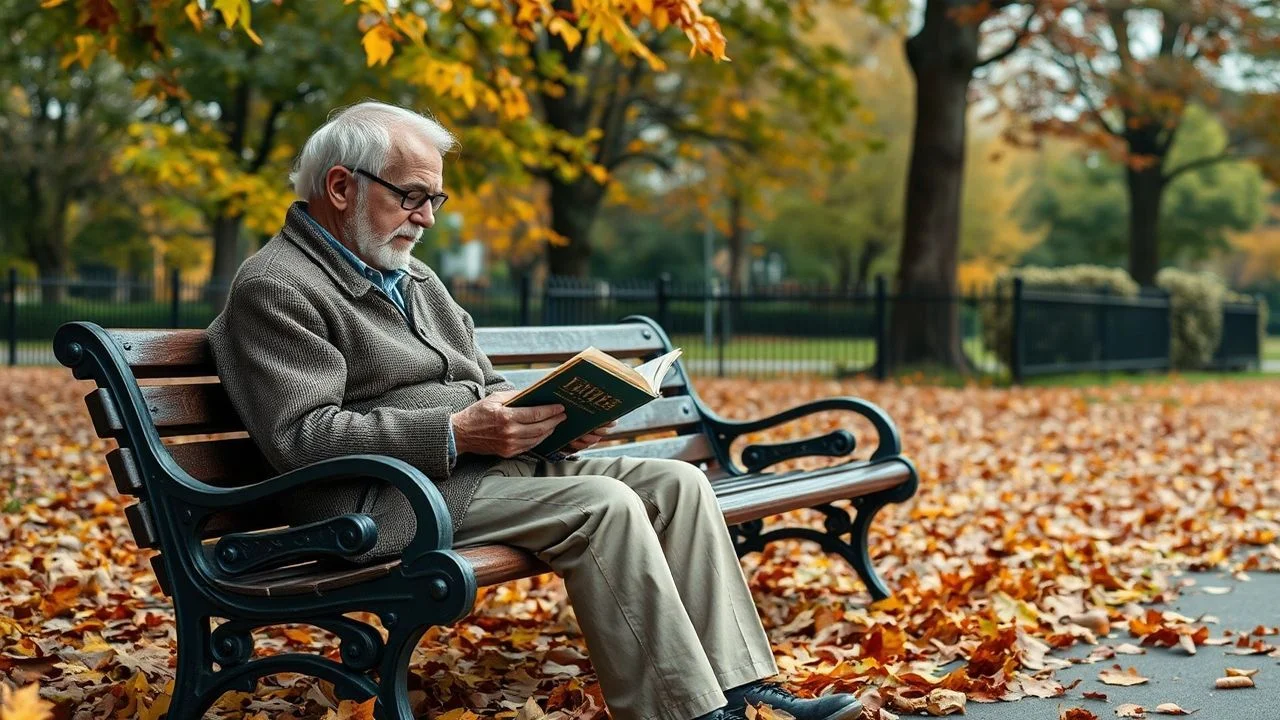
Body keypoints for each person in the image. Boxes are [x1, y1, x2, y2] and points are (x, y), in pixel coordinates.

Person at [208, 101, 868, 720]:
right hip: (385, 504)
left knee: (681, 483)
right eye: (410, 196)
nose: (427, 217)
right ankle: (686, 711)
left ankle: (745, 686)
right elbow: (301, 435)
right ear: (342, 187)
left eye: (434, 198)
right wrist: (453, 431)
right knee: (601, 508)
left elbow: (483, 381)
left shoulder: (414, 279)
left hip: (477, 473)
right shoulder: (276, 287)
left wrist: (556, 421)